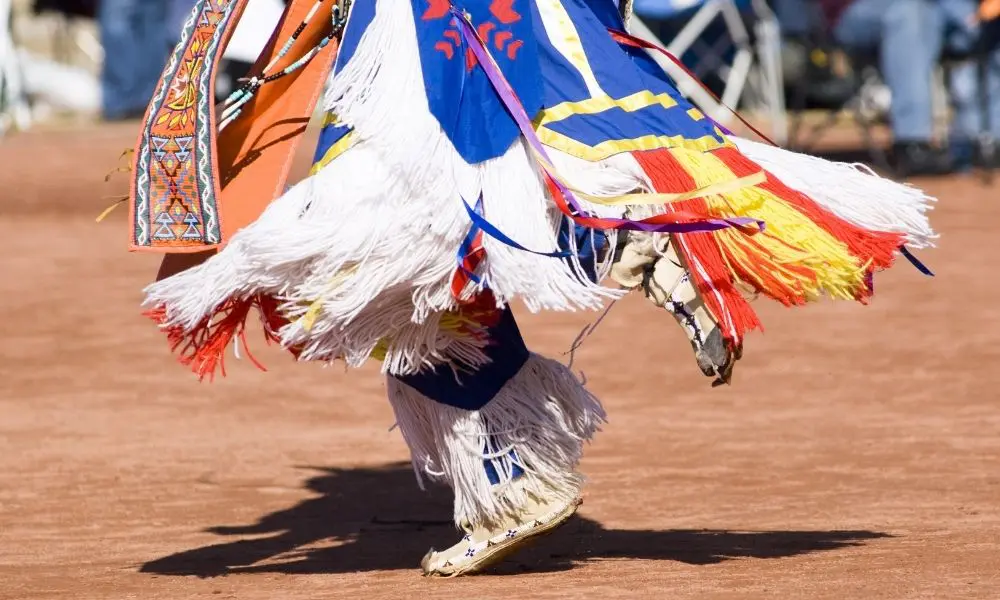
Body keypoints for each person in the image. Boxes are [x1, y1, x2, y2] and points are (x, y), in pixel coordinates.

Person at [119, 0, 936, 577]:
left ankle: (525, 459)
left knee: (404, 235)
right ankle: (636, 247)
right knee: (511, 184)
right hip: (534, 19)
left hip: (428, 30)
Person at [777, 0, 1000, 176]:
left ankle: (985, 140)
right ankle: (913, 143)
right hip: (856, 13)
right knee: (911, 13)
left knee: (988, 20)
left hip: (943, 11)